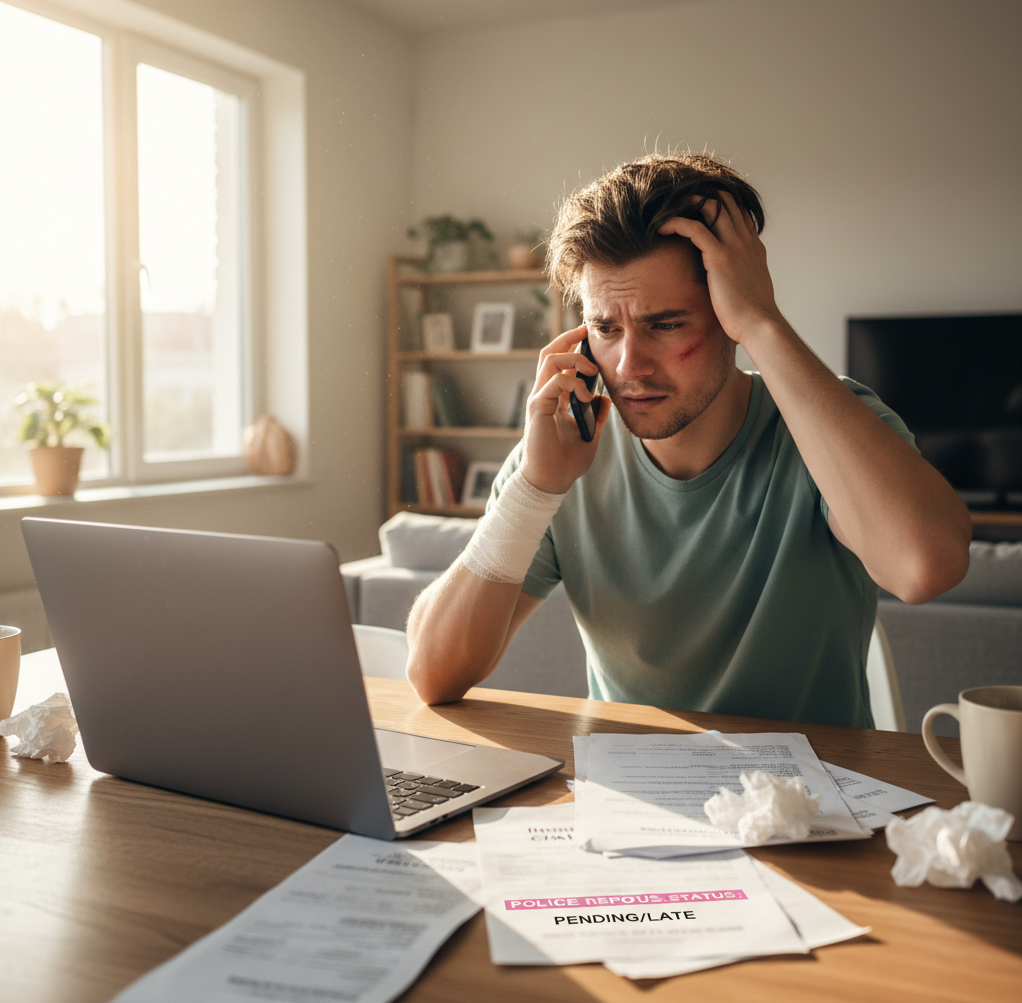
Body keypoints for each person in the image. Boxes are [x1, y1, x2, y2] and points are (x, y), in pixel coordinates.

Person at [406, 153, 971, 726]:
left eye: (666, 324)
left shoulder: (830, 425)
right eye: (605, 328)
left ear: (729, 312)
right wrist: (535, 486)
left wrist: (763, 322)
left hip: (812, 805)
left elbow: (925, 568)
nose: (629, 365)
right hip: (631, 801)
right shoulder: (560, 454)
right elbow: (433, 674)